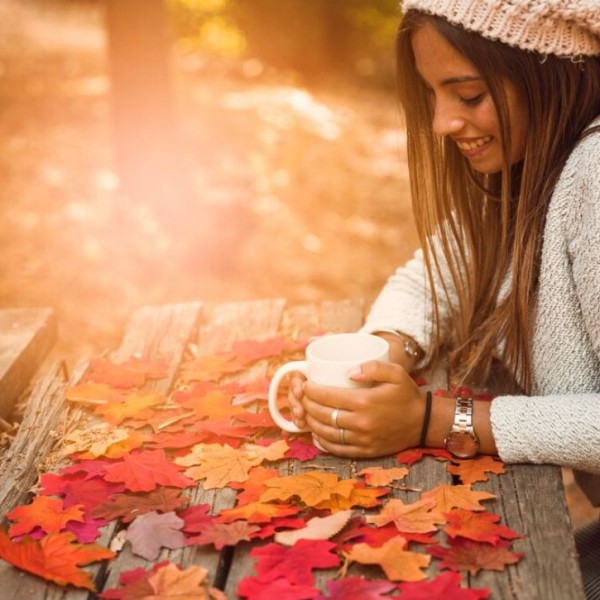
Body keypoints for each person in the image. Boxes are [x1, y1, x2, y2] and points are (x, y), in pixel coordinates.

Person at [288, 0, 600, 595]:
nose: (442, 125)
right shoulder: (528, 169)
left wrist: (435, 420)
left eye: (468, 95)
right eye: (434, 96)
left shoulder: (595, 175)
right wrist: (377, 358)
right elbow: (432, 277)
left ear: (552, 71)